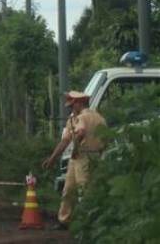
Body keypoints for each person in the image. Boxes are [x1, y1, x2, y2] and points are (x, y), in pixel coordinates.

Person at [42, 90, 106, 230]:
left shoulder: (83, 118)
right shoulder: (97, 118)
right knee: (69, 189)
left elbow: (80, 133)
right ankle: (65, 220)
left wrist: (76, 148)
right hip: (86, 157)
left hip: (83, 156)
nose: (70, 109)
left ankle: (87, 223)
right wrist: (53, 157)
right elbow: (65, 140)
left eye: (72, 106)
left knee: (84, 190)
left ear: (78, 104)